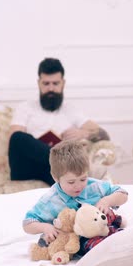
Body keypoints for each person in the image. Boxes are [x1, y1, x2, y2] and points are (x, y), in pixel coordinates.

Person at [8, 57, 109, 185]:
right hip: (28, 167)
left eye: (55, 84)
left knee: (63, 175)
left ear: (63, 83)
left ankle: (69, 172)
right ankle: (67, 161)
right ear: (39, 83)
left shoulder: (71, 110)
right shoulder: (25, 107)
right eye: (46, 84)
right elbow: (15, 142)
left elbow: (104, 134)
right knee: (18, 137)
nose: (51, 88)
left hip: (55, 170)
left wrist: (83, 133)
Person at [23, 140, 128, 247]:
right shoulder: (50, 200)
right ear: (56, 178)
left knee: (122, 237)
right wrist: (45, 227)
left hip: (104, 227)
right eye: (71, 182)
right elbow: (27, 223)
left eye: (83, 179)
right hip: (79, 241)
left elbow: (123, 194)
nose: (78, 186)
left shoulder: (94, 186)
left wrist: (106, 201)